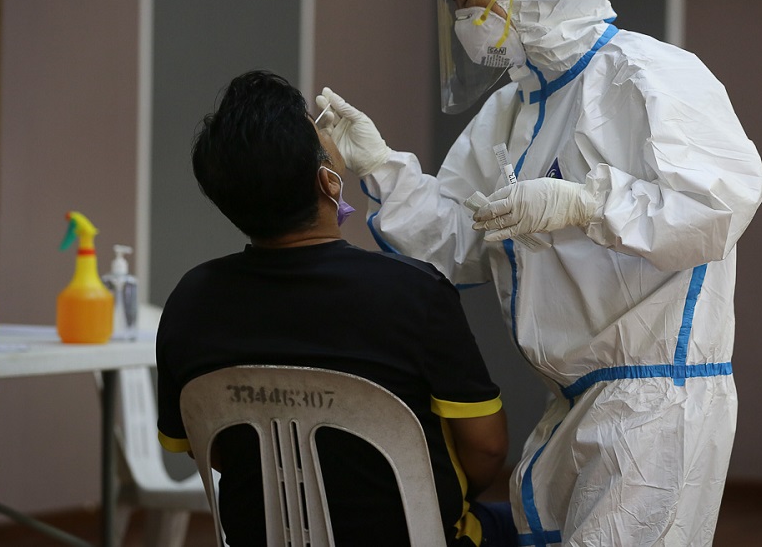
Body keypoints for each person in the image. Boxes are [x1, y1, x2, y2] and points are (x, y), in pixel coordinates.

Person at [313, 0, 762, 547]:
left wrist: (586, 203)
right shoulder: (511, 113)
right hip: (572, 402)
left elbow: (718, 205)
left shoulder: (646, 74)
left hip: (655, 404)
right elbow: (461, 238)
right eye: (458, 1)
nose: (466, 16)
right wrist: (381, 166)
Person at [155, 70, 518, 546]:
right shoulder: (414, 293)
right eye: (321, 133)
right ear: (329, 181)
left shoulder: (190, 302)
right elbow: (488, 448)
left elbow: (212, 446)